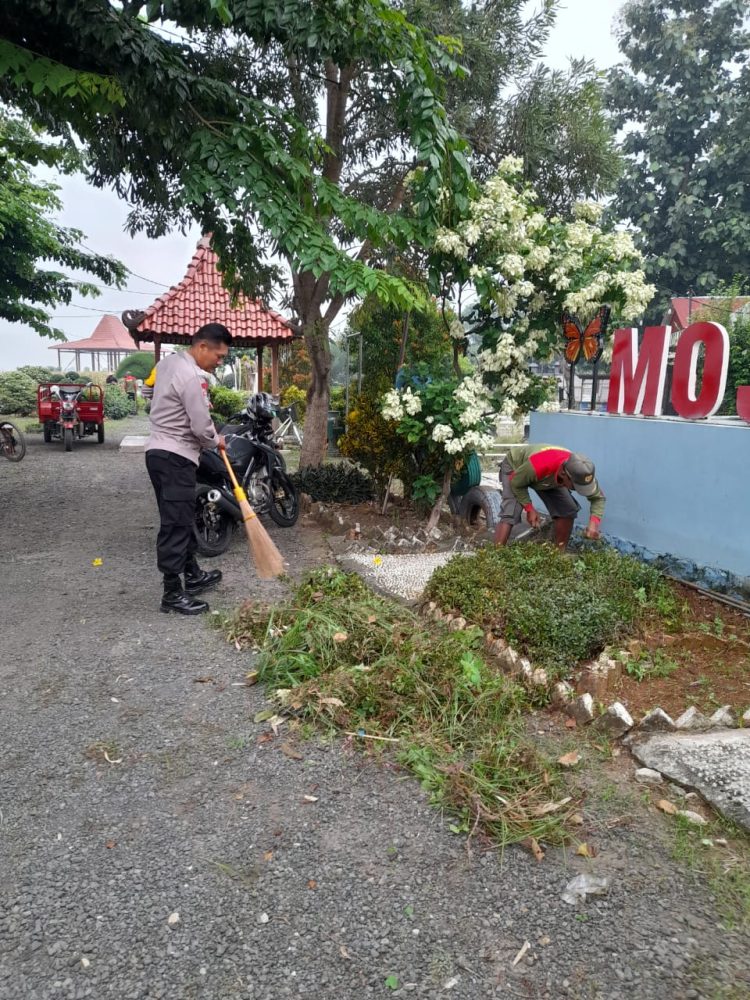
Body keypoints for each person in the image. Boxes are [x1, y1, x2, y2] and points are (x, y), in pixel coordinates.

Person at [145, 323, 231, 614]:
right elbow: (200, 425)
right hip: (175, 456)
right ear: (202, 346)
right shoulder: (192, 376)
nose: (219, 361)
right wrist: (215, 439)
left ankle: (192, 574)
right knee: (176, 524)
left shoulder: (168, 362)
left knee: (182, 516)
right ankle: (172, 593)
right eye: (218, 356)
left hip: (159, 453)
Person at [493, 444, 605, 549]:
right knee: (511, 511)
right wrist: (529, 508)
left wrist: (593, 524)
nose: (578, 489)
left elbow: (598, 498)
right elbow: (516, 483)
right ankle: (495, 557)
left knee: (567, 510)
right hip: (516, 467)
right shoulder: (539, 464)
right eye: (576, 486)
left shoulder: (582, 472)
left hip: (546, 476)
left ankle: (558, 555)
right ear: (563, 474)